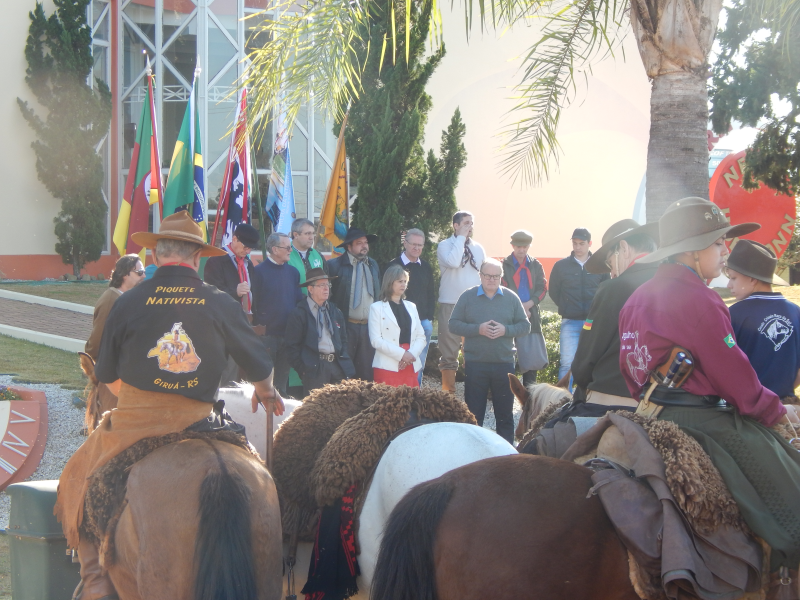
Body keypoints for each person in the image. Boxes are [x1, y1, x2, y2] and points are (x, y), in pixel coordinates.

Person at [55, 211, 283, 600]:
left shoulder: (127, 302)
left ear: (157, 255)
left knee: (78, 479)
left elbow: (106, 374)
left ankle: (96, 584)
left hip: (134, 421)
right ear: (197, 256)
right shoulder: (219, 301)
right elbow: (260, 364)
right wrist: (266, 391)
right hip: (200, 418)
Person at [619, 197, 800, 583]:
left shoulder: (636, 298)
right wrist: (777, 412)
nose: (725, 251)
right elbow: (737, 382)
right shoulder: (701, 299)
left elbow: (630, 371)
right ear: (692, 250)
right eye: (718, 243)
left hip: (649, 413)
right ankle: (783, 571)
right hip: (700, 418)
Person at [449, 258, 530, 443]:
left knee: (505, 415)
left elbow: (525, 326)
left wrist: (505, 330)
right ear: (480, 275)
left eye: (496, 276)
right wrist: (478, 329)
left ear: (501, 277)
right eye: (487, 275)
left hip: (504, 364)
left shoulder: (511, 298)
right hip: (476, 363)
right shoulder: (467, 297)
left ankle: (506, 453)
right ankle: (472, 451)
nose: (492, 279)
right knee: (473, 415)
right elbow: (453, 325)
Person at [727, 240, 800, 401]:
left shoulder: (734, 314)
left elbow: (725, 359)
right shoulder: (796, 312)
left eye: (733, 278)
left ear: (752, 279)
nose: (728, 285)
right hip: (786, 404)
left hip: (749, 405)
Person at [548, 228, 609, 383]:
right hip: (570, 321)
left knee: (594, 364)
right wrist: (566, 306)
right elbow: (554, 291)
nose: (577, 247)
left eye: (581, 243)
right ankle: (563, 398)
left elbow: (606, 291)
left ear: (590, 243)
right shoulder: (561, 266)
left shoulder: (601, 266)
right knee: (567, 364)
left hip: (593, 322)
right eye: (575, 243)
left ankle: (588, 397)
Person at [204, 222, 261, 386]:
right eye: (246, 247)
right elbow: (211, 294)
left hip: (245, 322)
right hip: (225, 324)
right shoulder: (216, 260)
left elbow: (253, 292)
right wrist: (234, 291)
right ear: (234, 239)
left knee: (244, 370)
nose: (248, 251)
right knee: (228, 369)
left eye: (251, 249)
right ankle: (224, 399)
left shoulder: (248, 263)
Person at [437, 211, 486, 392]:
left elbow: (483, 275)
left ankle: (474, 394)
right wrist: (460, 239)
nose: (469, 226)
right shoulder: (444, 245)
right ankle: (448, 396)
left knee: (474, 351)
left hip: (474, 306)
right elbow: (453, 261)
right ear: (455, 225)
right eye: (466, 223)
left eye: (471, 223)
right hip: (450, 304)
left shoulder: (478, 248)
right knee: (448, 352)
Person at [285, 268, 355, 394]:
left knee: (341, 404)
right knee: (316, 405)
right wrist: (304, 370)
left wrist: (343, 357)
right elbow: (291, 346)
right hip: (315, 369)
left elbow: (344, 339)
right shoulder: (299, 313)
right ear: (310, 289)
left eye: (328, 285)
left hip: (337, 366)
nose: (326, 288)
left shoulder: (335, 311)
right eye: (321, 285)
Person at [252, 232, 304, 396]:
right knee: (264, 385)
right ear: (274, 249)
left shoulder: (293, 272)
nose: (290, 250)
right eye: (287, 247)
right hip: (266, 337)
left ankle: (279, 410)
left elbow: (298, 302)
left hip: (288, 335)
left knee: (281, 386)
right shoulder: (258, 272)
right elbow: (253, 304)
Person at [328, 228, 380, 381]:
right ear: (348, 246)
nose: (364, 246)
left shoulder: (373, 265)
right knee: (343, 372)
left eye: (365, 242)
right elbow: (329, 298)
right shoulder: (334, 266)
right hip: (346, 327)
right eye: (359, 243)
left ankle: (364, 397)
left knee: (366, 372)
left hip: (369, 327)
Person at [388, 228, 436, 384]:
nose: (417, 248)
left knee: (418, 363)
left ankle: (416, 392)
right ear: (405, 243)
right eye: (413, 244)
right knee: (399, 362)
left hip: (422, 323)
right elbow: (388, 294)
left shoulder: (426, 267)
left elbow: (431, 294)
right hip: (400, 323)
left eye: (420, 245)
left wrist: (429, 318)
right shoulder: (394, 266)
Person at [501, 230, 547, 386]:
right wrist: (520, 308)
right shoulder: (504, 264)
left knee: (531, 362)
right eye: (518, 247)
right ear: (512, 246)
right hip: (509, 315)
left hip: (531, 315)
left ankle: (529, 395)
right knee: (508, 360)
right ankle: (505, 394)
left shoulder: (536, 265)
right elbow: (503, 288)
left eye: (525, 247)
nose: (521, 250)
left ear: (529, 246)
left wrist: (529, 305)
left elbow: (542, 288)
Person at [368, 265, 427, 387]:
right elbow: (376, 340)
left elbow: (421, 337)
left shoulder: (412, 307)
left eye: (405, 281)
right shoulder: (376, 308)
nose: (403, 284)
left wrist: (411, 355)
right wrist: (402, 354)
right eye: (400, 281)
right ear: (390, 282)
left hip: (410, 364)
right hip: (387, 365)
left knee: (411, 398)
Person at [85, 254, 145, 361]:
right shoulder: (111, 300)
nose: (143, 276)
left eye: (144, 272)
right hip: (110, 366)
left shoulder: (127, 297)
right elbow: (98, 339)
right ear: (125, 274)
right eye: (139, 272)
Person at [289, 218, 328, 289]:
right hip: (294, 296)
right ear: (296, 235)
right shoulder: (286, 255)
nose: (311, 237)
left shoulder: (318, 255)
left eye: (313, 233)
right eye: (307, 233)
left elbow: (326, 281)